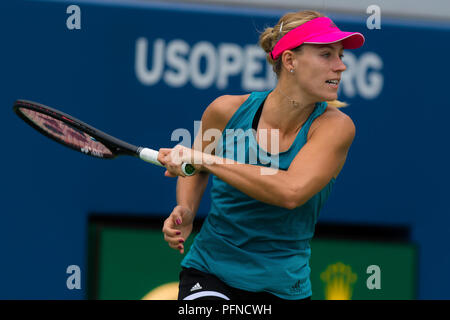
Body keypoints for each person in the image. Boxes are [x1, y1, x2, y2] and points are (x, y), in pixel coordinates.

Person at [157, 10, 365, 300]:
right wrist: (187, 210)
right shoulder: (225, 111)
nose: (340, 66)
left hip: (282, 288)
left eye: (341, 56)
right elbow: (194, 170)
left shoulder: (336, 128)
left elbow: (290, 191)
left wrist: (204, 158)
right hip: (209, 273)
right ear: (290, 61)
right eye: (327, 55)